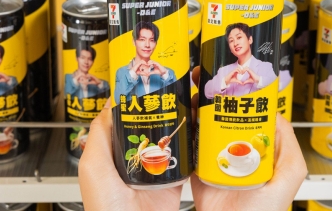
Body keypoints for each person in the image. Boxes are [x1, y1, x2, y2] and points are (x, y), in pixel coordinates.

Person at [78, 65, 308, 211]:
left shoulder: (262, 68)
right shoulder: (124, 72)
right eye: (231, 39)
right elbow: (208, 90)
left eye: (239, 37)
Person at [204, 23, 276, 99]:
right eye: (231, 41)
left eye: (239, 37)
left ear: (250, 39)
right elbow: (207, 91)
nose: (235, 43)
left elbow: (276, 87)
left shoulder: (265, 67)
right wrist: (225, 81)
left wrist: (258, 79)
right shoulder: (224, 70)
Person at [113, 21, 176, 102]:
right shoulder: (122, 72)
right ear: (134, 41)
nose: (147, 45)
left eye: (152, 40)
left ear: (156, 44)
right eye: (142, 39)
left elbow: (179, 99)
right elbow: (118, 100)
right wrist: (132, 74)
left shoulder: (167, 72)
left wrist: (165, 75)